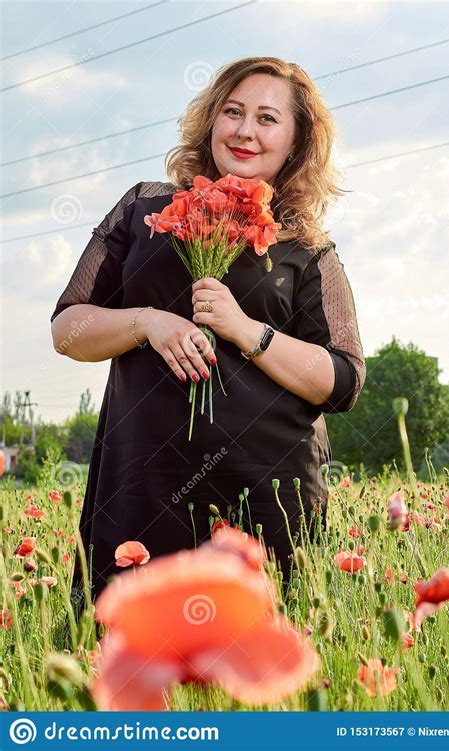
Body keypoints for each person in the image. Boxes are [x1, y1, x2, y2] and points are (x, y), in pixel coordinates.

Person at [50, 56, 366, 609]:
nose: (245, 130)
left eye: (268, 119)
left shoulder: (307, 246)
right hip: (142, 490)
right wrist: (145, 322)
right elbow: (67, 329)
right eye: (233, 112)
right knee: (128, 669)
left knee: (259, 681)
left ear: (295, 142)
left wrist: (247, 330)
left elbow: (342, 380)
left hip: (265, 500)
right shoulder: (145, 209)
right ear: (211, 122)